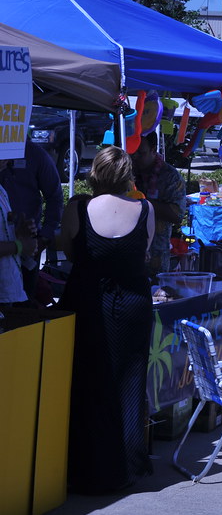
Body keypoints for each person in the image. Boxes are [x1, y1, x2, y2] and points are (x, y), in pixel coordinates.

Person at [58, 146, 156, 493]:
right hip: (133, 306)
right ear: (127, 176)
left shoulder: (77, 208)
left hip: (88, 303)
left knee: (89, 383)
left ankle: (89, 468)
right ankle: (127, 464)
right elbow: (142, 253)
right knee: (129, 384)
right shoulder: (145, 209)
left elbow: (69, 252)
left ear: (95, 173)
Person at [0, 140, 62, 299]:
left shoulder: (35, 154)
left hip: (28, 248)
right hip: (13, 246)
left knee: (24, 303)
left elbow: (55, 196)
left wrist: (44, 237)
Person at [131, 131, 185, 276]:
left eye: (140, 153)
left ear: (153, 150)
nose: (135, 157)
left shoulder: (170, 176)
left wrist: (142, 203)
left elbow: (177, 215)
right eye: (133, 153)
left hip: (156, 255)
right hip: (128, 251)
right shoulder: (127, 172)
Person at [0, 180, 38, 307]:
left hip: (7, 290)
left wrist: (18, 233)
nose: (8, 161)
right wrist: (20, 246)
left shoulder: (1, 190)